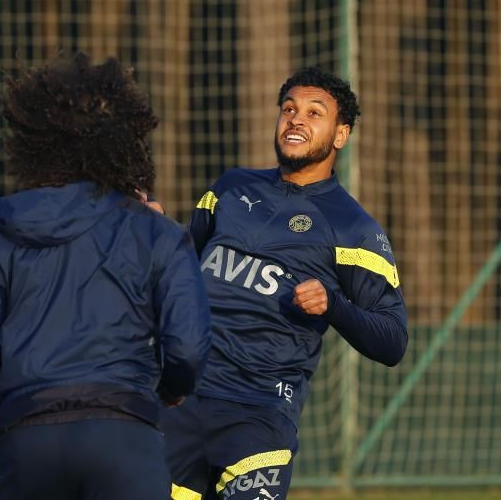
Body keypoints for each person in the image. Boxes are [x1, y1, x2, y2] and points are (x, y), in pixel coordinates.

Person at [0, 52, 211, 500]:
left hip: (26, 436)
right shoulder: (159, 234)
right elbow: (186, 345)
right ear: (128, 141)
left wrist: (16, 381)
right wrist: (170, 387)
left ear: (33, 143)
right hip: (124, 433)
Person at [162, 66, 409, 500]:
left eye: (315, 112)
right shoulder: (231, 188)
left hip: (259, 417)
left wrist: (333, 305)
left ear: (340, 135)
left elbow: (393, 341)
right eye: (289, 109)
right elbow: (177, 273)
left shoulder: (353, 228)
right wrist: (150, 236)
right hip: (182, 402)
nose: (296, 119)